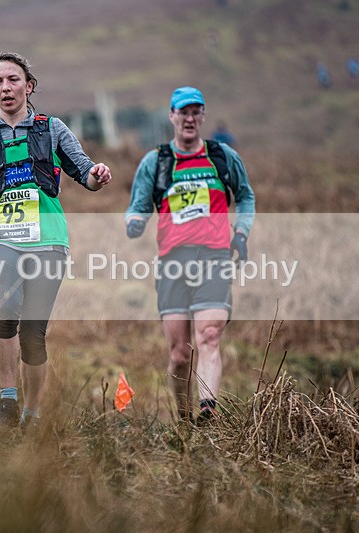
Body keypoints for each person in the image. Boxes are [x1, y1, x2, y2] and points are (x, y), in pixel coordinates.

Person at [0, 52, 112, 430]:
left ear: (29, 86)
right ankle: (7, 405)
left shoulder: (52, 129)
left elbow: (83, 172)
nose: (5, 87)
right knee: (5, 313)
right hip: (1, 239)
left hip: (48, 240)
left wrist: (98, 176)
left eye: (13, 79)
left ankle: (32, 415)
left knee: (33, 335)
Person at [125, 87, 255, 423]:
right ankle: (185, 420)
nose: (190, 118)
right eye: (183, 112)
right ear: (171, 116)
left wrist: (240, 232)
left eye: (196, 112)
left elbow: (245, 196)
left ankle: (207, 412)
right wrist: (135, 222)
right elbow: (137, 208)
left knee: (209, 336)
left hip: (214, 258)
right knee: (180, 355)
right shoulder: (157, 161)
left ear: (203, 117)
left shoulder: (222, 156)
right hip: (172, 263)